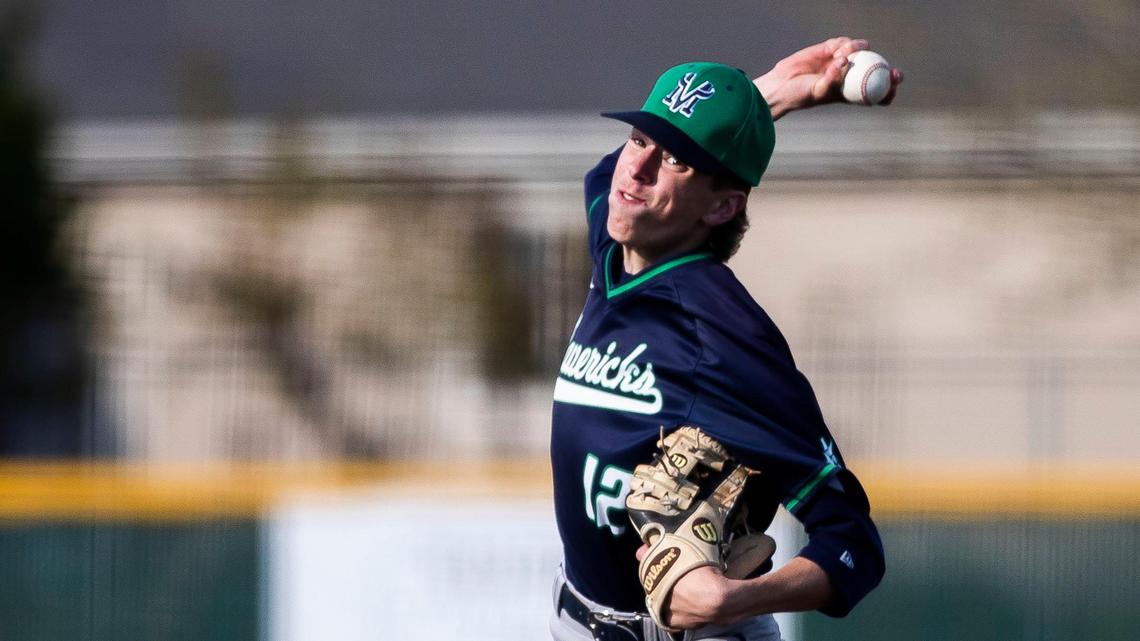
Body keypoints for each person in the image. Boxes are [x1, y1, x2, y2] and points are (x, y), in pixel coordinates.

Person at [548, 37, 903, 641]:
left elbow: (852, 544)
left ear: (721, 207)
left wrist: (733, 600)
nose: (635, 168)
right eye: (639, 139)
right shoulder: (617, 246)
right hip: (577, 618)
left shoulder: (722, 336)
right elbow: (609, 174)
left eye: (675, 160)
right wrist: (766, 95)